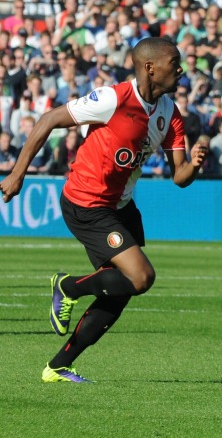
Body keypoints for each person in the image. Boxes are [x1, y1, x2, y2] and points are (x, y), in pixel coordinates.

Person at [0, 37, 209, 383]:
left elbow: (180, 177)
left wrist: (196, 164)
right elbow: (49, 118)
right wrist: (17, 174)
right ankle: (67, 287)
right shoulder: (113, 98)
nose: (181, 69)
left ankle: (58, 366)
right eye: (174, 62)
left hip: (121, 206)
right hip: (87, 203)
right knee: (141, 277)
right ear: (149, 67)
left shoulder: (170, 113)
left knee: (121, 291)